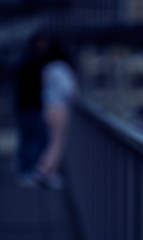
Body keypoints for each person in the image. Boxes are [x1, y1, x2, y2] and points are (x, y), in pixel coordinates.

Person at [35, 41, 77, 189]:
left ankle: (45, 170)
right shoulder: (60, 68)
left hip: (48, 107)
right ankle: (45, 171)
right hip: (59, 108)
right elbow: (68, 90)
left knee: (52, 141)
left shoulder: (48, 68)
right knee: (57, 142)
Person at [15, 32, 50, 187]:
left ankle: (25, 170)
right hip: (31, 107)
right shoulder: (34, 63)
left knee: (27, 139)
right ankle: (28, 171)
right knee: (37, 139)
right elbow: (36, 88)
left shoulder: (26, 62)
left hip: (25, 107)